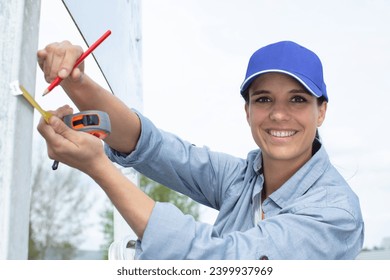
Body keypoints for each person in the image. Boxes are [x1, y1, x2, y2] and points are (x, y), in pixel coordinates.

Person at [37, 40, 364, 259]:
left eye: (298, 99)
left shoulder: (335, 213)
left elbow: (222, 261)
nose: (279, 114)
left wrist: (99, 168)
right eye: (263, 99)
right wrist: (75, 80)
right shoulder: (242, 179)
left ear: (321, 111)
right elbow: (152, 146)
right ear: (247, 111)